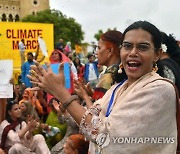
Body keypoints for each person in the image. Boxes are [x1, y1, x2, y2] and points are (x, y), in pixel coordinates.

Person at [28, 21, 177, 153]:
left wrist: (62, 93)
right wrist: (61, 96)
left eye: (142, 47)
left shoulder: (160, 90)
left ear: (157, 54)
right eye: (127, 46)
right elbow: (90, 118)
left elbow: (106, 137)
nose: (133, 53)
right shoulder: (118, 87)